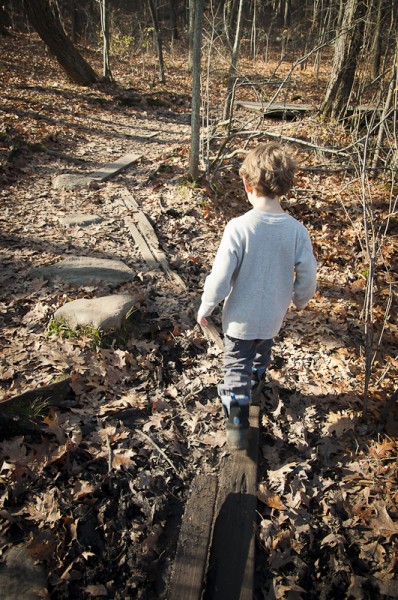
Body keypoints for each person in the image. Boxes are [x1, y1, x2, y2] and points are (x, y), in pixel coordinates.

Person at [197, 142, 317, 450]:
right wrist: (301, 299)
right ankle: (256, 383)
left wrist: (206, 305)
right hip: (272, 318)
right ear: (286, 187)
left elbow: (221, 277)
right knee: (262, 352)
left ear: (247, 184)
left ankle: (237, 426)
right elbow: (308, 276)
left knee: (235, 366)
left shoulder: (239, 227)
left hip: (240, 321)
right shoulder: (296, 231)